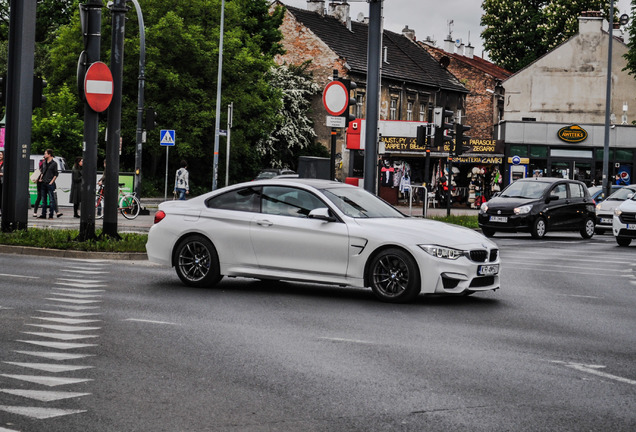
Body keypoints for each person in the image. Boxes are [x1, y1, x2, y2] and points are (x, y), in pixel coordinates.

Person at [39, 149, 62, 219]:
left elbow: (56, 174)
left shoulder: (54, 163)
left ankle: (51, 215)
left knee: (51, 200)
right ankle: (43, 214)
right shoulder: (44, 162)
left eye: (45, 153)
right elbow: (42, 171)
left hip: (50, 183)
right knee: (43, 200)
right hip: (43, 182)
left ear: (49, 154)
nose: (44, 155)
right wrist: (40, 178)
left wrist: (51, 182)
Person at [0, 150, 4, 216]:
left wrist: (1, 174)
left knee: (1, 197)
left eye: (0, 155)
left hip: (2, 182)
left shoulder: (5, 163)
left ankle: (2, 210)